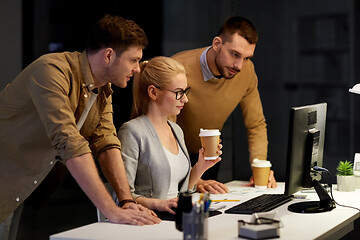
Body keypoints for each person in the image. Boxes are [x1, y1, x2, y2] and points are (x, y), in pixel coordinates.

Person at [0, 14, 161, 240]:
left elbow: (105, 141)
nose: (137, 69)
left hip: (28, 187)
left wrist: (126, 201)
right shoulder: (51, 70)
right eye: (133, 60)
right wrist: (110, 210)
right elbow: (68, 141)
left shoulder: (103, 89)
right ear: (108, 55)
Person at [170, 16, 277, 193]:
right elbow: (166, 129)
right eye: (235, 54)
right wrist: (193, 176)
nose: (239, 66)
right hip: (173, 159)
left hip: (208, 157)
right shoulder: (178, 68)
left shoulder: (246, 71)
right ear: (217, 44)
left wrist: (260, 168)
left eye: (246, 58)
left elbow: (256, 124)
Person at [118, 56, 222, 214]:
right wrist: (159, 204)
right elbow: (124, 197)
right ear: (153, 92)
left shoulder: (176, 129)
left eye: (185, 91)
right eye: (178, 93)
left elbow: (181, 191)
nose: (185, 100)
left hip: (173, 215)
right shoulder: (132, 131)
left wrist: (201, 166)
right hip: (147, 219)